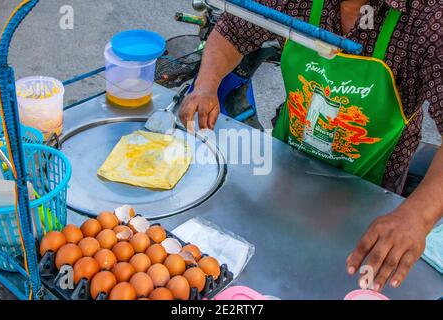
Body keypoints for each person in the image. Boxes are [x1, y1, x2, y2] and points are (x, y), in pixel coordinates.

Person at [179, 0, 443, 291]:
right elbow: (233, 29)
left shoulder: (428, 18)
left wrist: (418, 216)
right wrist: (206, 85)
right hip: (285, 169)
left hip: (368, 196)